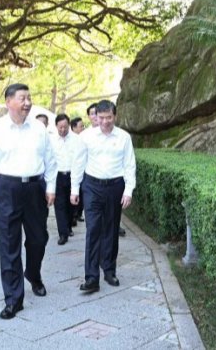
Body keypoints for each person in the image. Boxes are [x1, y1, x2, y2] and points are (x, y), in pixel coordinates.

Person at [0, 83, 57, 320]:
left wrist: (51, 187)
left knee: (39, 239)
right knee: (9, 244)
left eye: (29, 97)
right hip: (6, 189)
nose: (27, 102)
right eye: (22, 98)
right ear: (9, 102)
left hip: (35, 188)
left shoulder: (39, 129)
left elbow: (50, 160)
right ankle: (14, 299)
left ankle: (33, 274)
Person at [72, 100, 135, 294]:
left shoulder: (124, 137)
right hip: (92, 186)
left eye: (109, 117)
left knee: (111, 229)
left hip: (115, 186)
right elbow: (78, 162)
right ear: (95, 117)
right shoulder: (86, 137)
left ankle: (109, 270)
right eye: (101, 118)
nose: (105, 121)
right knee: (93, 230)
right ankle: (91, 277)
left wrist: (128, 190)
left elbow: (129, 164)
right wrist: (75, 189)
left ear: (115, 116)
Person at [51, 113, 82, 245]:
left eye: (65, 127)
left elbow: (79, 161)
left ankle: (68, 226)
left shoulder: (76, 140)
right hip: (57, 176)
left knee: (71, 205)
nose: (63, 130)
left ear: (69, 125)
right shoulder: (51, 140)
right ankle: (63, 233)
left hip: (72, 175)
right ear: (56, 126)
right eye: (60, 128)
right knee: (60, 205)